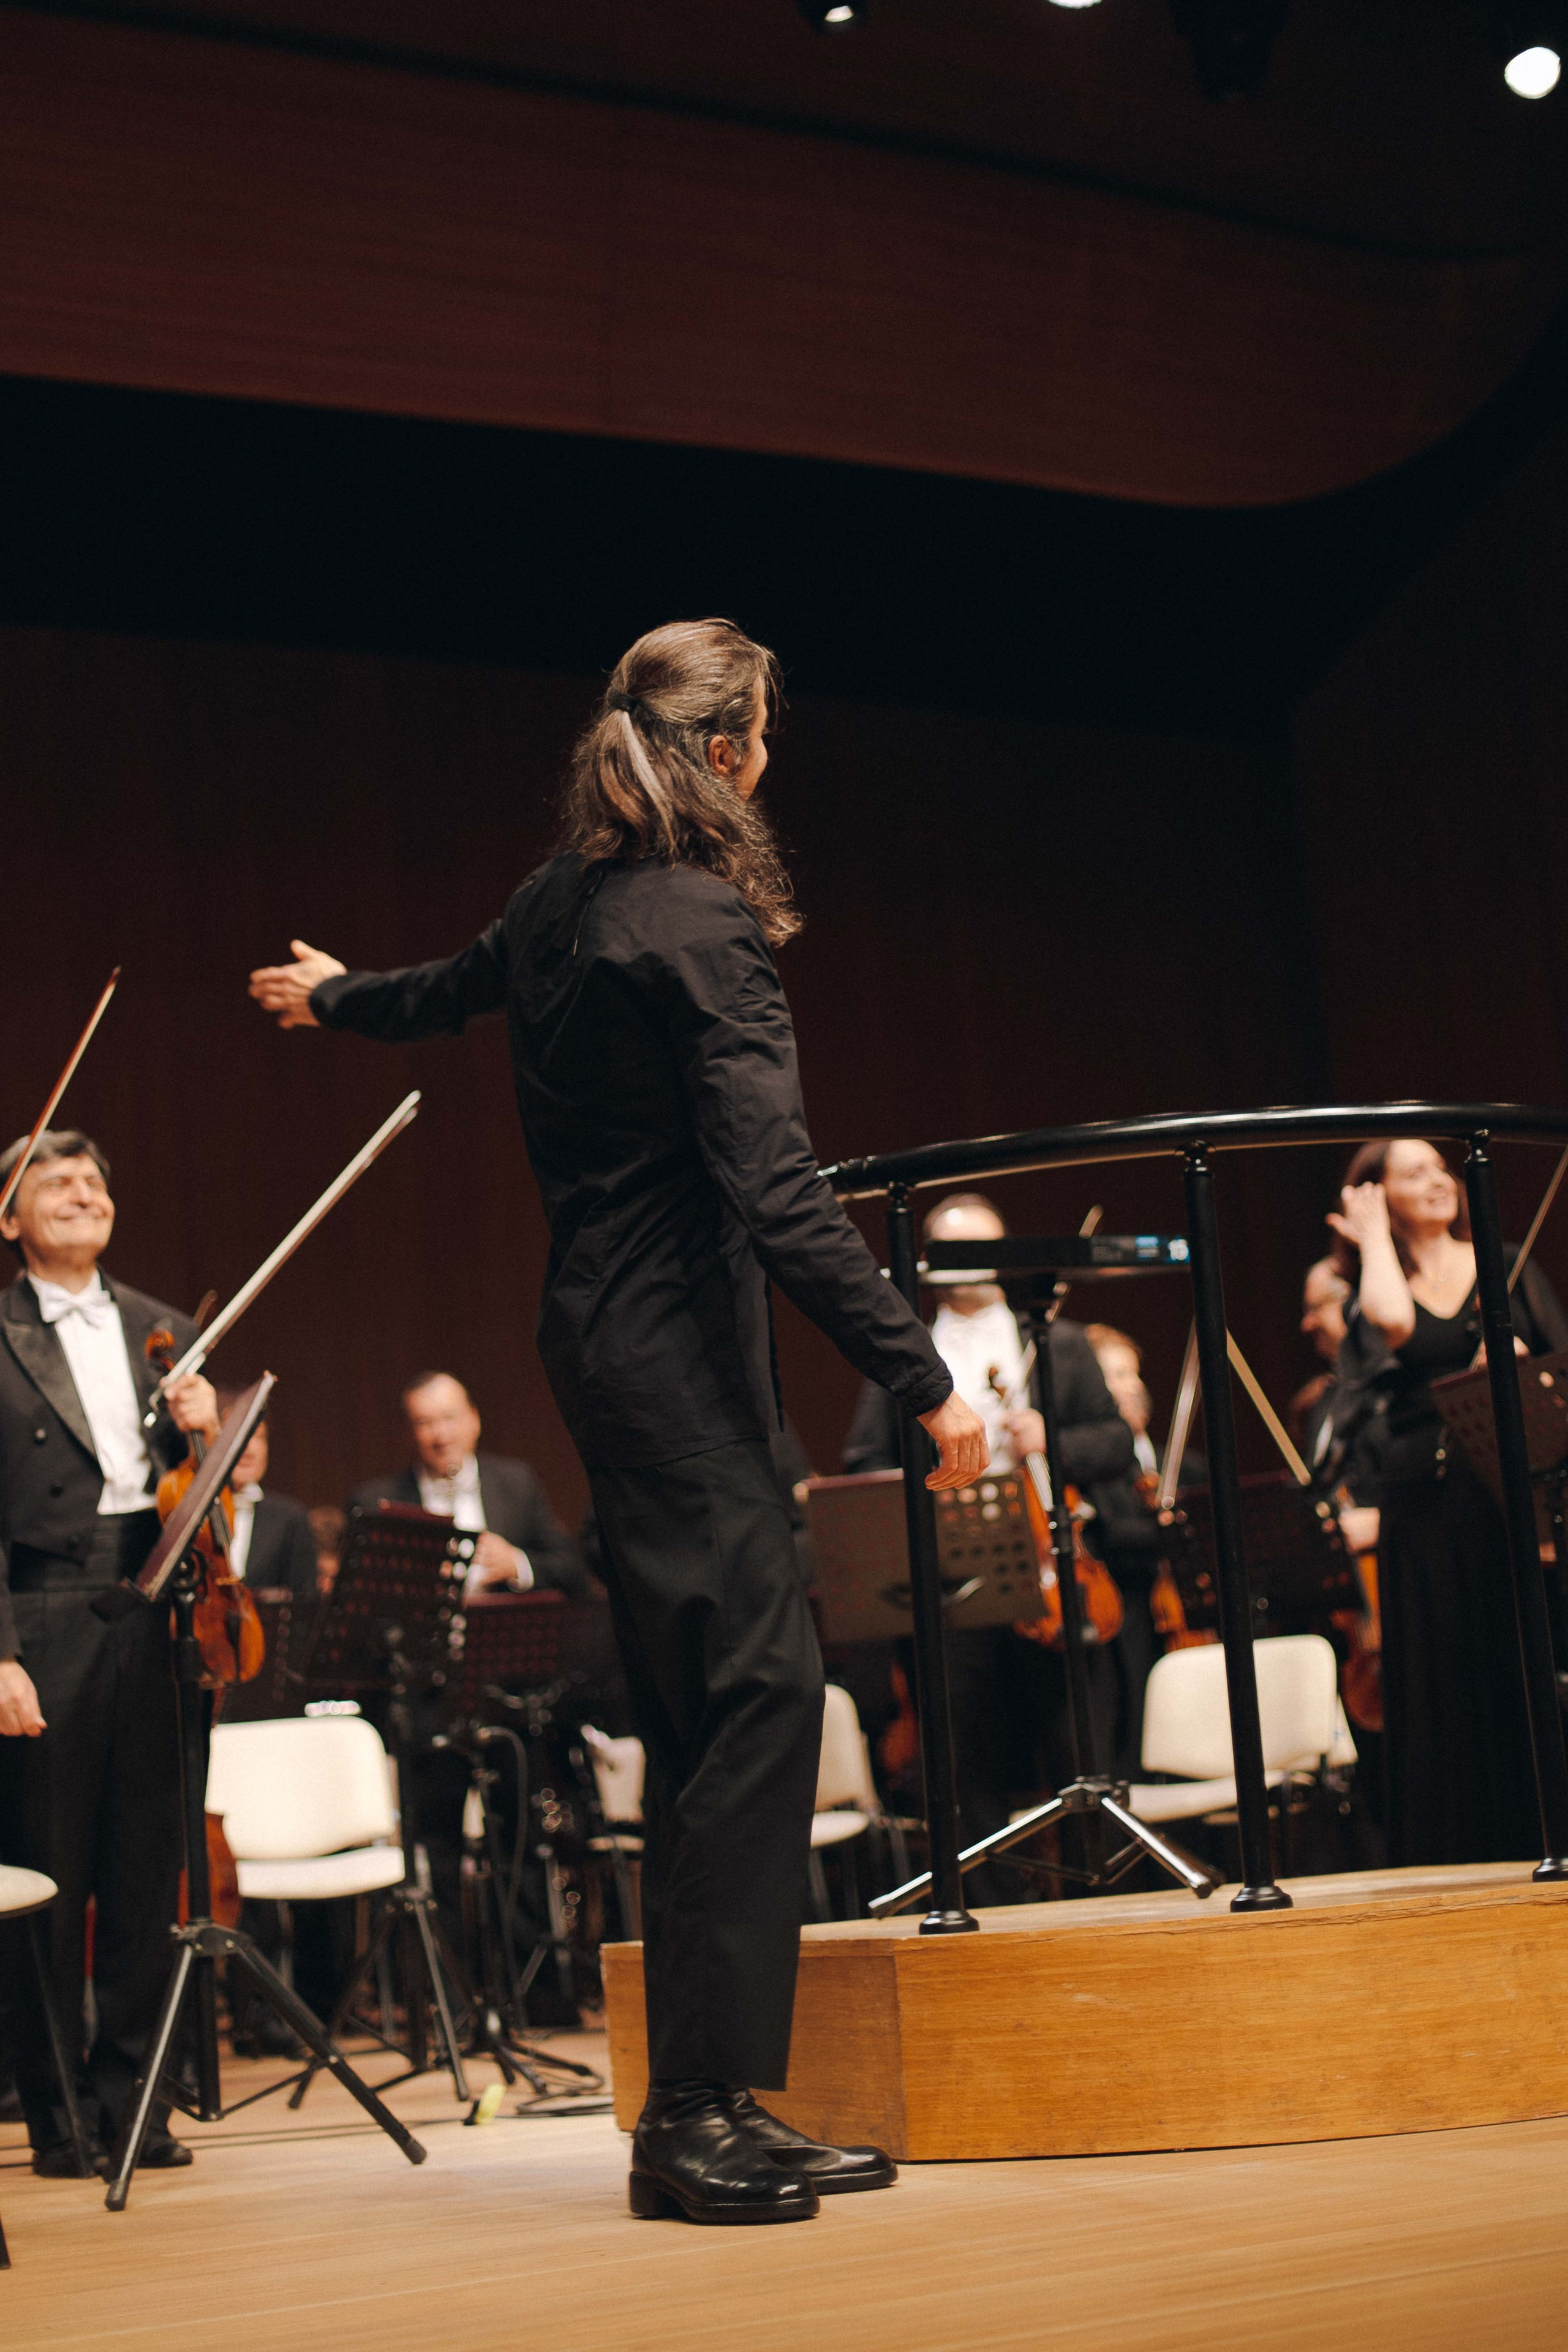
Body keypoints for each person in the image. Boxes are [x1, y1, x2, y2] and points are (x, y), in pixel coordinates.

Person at [249, 616, 984, 2225]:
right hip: (680, 1374)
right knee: (760, 1701)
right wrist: (921, 1375)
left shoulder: (557, 903)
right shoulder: (702, 924)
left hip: (599, 1354)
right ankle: (693, 2122)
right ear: (727, 756)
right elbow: (777, 1189)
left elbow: (442, 991)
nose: (768, 759)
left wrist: (335, 997)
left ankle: (716, 2098)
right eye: (765, 736)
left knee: (709, 1717)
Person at [0, 1129, 220, 2175]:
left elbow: (202, 1497)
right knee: (52, 1870)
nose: (84, 1192)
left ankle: (137, 2101)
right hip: (42, 1611)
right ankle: (56, 2119)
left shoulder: (166, 1330)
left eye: (95, 1179)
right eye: (55, 1180)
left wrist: (207, 1435)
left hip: (157, 1600)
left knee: (146, 1872)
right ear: (12, 1220)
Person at [843, 1192, 1134, 1888]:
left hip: (1049, 1569)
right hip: (954, 1577)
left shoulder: (1057, 1341)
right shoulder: (902, 1353)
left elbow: (1118, 1441)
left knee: (1073, 1744)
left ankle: (1099, 1893)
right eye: (953, 1252)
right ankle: (990, 1905)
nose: (970, 1268)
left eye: (985, 1251)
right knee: (965, 1756)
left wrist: (1051, 1440)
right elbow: (863, 1462)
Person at [1329, 1137, 1568, 1866]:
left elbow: (1559, 1363)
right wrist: (1374, 1238)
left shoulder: (1505, 1260)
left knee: (1514, 1664)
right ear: (1377, 1195)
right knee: (1442, 1679)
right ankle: (1459, 1854)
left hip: (1501, 1493)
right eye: (1413, 1173)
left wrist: (1522, 1368)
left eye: (1441, 1167)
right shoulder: (1374, 1282)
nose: (1438, 1180)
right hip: (1422, 1506)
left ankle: (1542, 1836)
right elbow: (1392, 1326)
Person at [1082, 1322, 1205, 1778]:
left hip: (1186, 1625)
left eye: (1133, 1375)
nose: (1131, 1388)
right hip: (1125, 1630)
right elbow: (1113, 1537)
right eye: (1115, 1377)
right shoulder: (1095, 1473)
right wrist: (1165, 1530)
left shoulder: (1187, 1466)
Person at [349, 1370, 585, 1601]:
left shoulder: (516, 1484)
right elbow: (359, 1596)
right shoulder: (375, 1502)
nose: (441, 1436)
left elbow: (571, 1569)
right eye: (425, 1423)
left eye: (450, 1418)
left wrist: (516, 1565)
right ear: (408, 1433)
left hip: (503, 1634)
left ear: (475, 1420)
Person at [215, 1390, 318, 1605]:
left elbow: (305, 1603)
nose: (250, 1449)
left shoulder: (290, 1519)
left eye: (259, 1437)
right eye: (239, 1435)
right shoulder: (190, 1515)